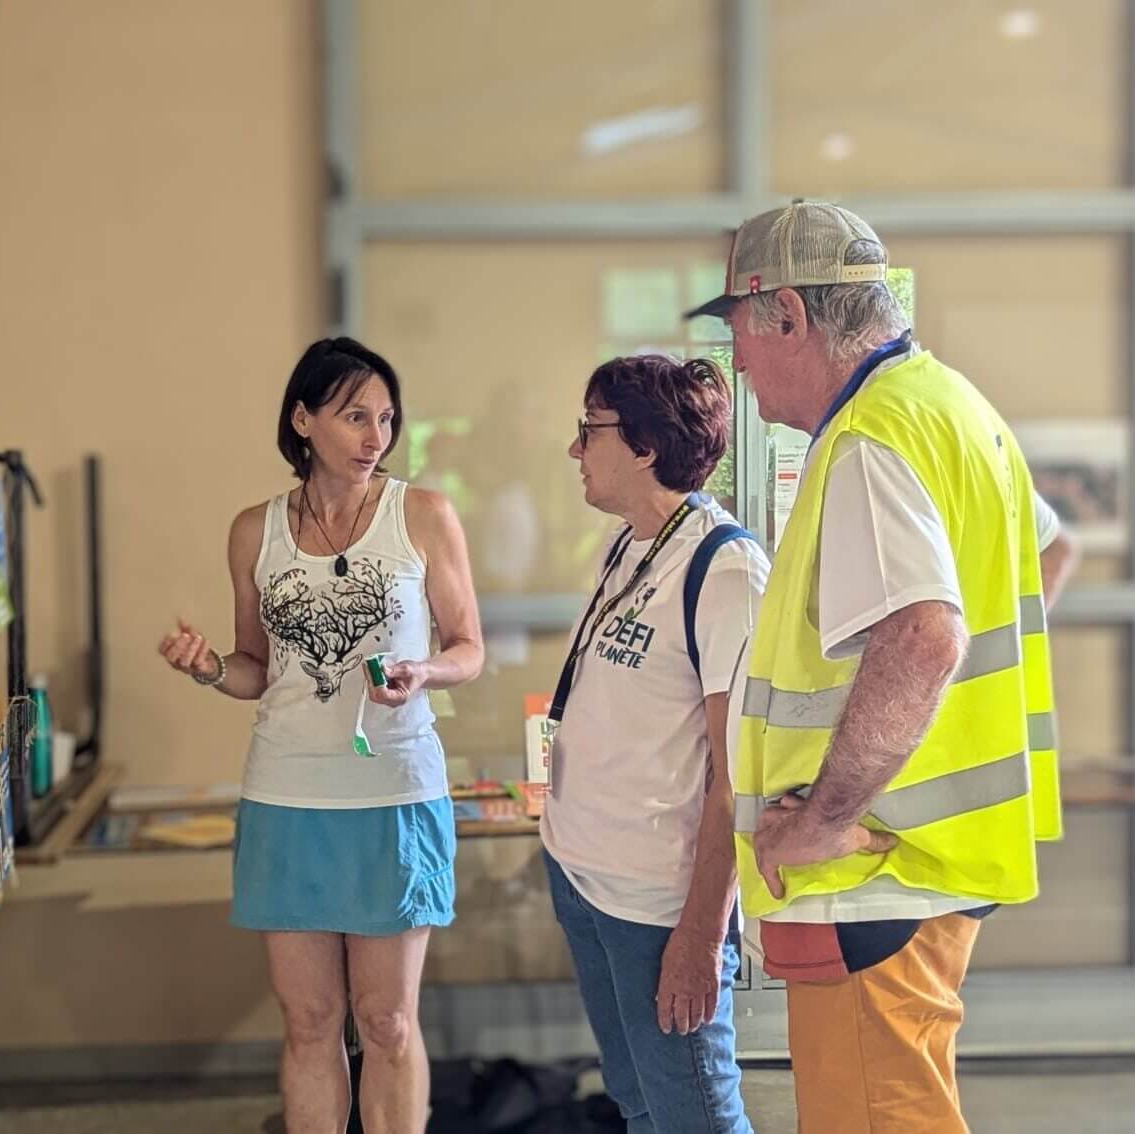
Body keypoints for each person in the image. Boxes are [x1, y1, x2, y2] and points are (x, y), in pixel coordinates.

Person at [684, 201, 1080, 1131]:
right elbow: (1048, 555)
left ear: (787, 313)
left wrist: (827, 816)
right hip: (925, 857)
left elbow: (925, 637)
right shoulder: (952, 406)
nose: (734, 362)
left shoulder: (869, 438)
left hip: (870, 869)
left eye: (738, 331)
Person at [159, 337, 483, 1133]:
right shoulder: (254, 531)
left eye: (386, 418)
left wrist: (424, 671)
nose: (376, 436)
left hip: (393, 793)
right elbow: (254, 669)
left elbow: (467, 648)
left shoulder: (422, 514)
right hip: (287, 796)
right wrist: (207, 668)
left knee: (387, 1022)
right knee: (308, 1023)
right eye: (354, 417)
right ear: (303, 421)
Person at [542, 354, 767, 1133]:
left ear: (642, 446)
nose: (574, 448)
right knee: (638, 1104)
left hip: (656, 903)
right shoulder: (628, 545)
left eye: (590, 429)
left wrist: (700, 934)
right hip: (580, 872)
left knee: (694, 1118)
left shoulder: (724, 569)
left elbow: (737, 779)